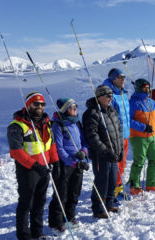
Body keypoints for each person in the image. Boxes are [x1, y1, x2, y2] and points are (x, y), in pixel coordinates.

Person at [7, 91, 60, 240]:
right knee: (26, 203)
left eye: (42, 104)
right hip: (28, 170)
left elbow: (51, 145)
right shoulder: (17, 125)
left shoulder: (46, 122)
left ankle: (38, 232)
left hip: (44, 169)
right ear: (28, 105)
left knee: (40, 202)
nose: (40, 106)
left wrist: (55, 162)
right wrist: (36, 166)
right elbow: (16, 152)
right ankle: (24, 235)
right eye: (36, 104)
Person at [48, 98, 89, 232]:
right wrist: (72, 162)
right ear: (65, 110)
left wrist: (83, 152)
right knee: (62, 194)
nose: (75, 109)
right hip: (65, 166)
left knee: (74, 192)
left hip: (78, 164)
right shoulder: (58, 125)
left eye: (76, 106)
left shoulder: (77, 123)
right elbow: (59, 149)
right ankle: (56, 221)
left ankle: (70, 217)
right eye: (72, 107)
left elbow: (84, 142)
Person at [82, 85, 124, 219]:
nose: (110, 98)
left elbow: (119, 131)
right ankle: (98, 208)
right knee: (102, 181)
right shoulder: (92, 113)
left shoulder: (111, 111)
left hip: (114, 154)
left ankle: (109, 203)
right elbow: (92, 136)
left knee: (112, 180)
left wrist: (120, 149)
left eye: (111, 95)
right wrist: (105, 151)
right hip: (102, 155)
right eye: (107, 95)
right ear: (99, 97)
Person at [128, 78, 155, 194]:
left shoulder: (151, 102)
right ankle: (134, 185)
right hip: (138, 136)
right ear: (139, 88)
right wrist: (143, 127)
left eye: (148, 88)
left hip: (152, 136)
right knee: (139, 161)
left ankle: (151, 183)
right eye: (144, 88)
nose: (147, 90)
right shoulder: (133, 102)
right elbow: (128, 121)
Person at [103, 68, 130, 201]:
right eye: (120, 77)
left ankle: (118, 187)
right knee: (115, 164)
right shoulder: (109, 94)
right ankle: (110, 189)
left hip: (125, 135)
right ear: (113, 79)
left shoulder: (123, 93)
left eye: (124, 77)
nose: (123, 79)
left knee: (122, 163)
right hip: (115, 136)